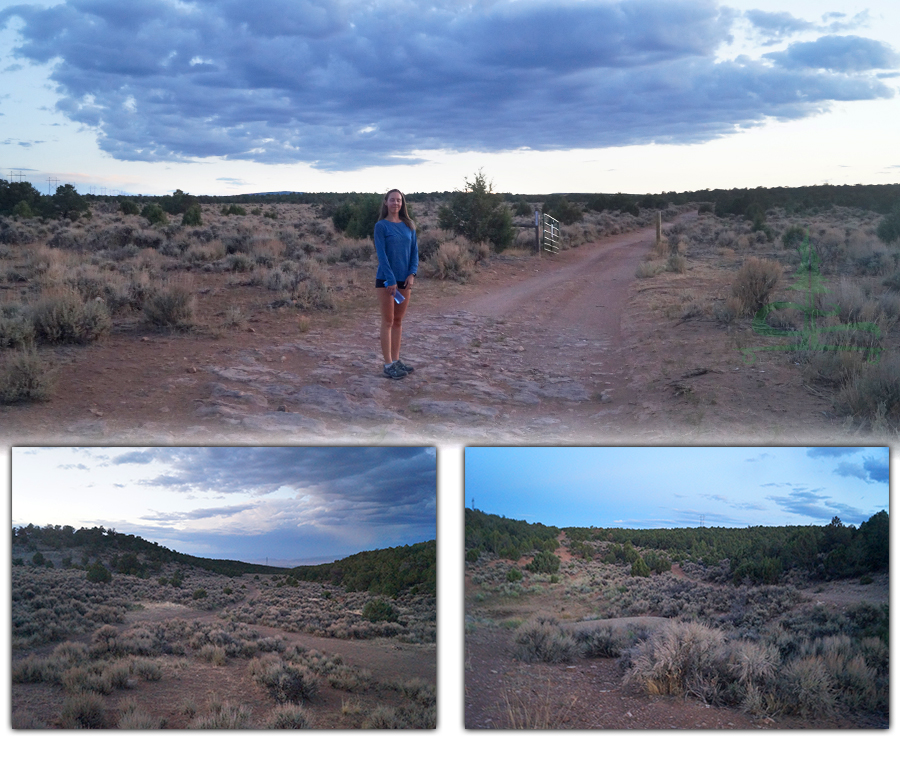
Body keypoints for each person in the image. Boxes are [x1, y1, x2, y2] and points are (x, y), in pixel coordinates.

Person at [374, 189, 418, 379]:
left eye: (399, 200)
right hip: (386, 281)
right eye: (392, 200)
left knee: (398, 321)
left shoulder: (409, 225)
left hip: (404, 280)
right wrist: (390, 279)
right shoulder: (381, 226)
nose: (395, 203)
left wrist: (412, 274)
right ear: (386, 203)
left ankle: (397, 360)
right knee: (388, 320)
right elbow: (382, 255)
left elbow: (414, 251)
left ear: (402, 203)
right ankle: (388, 364)